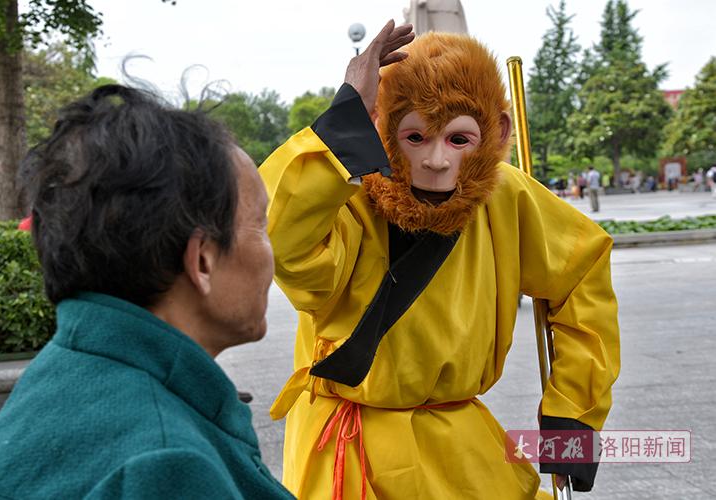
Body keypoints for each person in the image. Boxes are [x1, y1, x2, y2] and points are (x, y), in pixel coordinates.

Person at [261, 24, 619, 499]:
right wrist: (342, 122)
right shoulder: (343, 194)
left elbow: (583, 272)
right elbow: (281, 242)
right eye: (415, 136)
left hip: (461, 447)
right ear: (382, 128)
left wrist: (573, 415)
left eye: (458, 139)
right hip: (351, 452)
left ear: (496, 134)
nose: (434, 160)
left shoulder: (506, 196)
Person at [0, 85, 293, 499]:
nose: (270, 251)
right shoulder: (164, 466)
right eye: (260, 226)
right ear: (203, 260)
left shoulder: (62, 377)